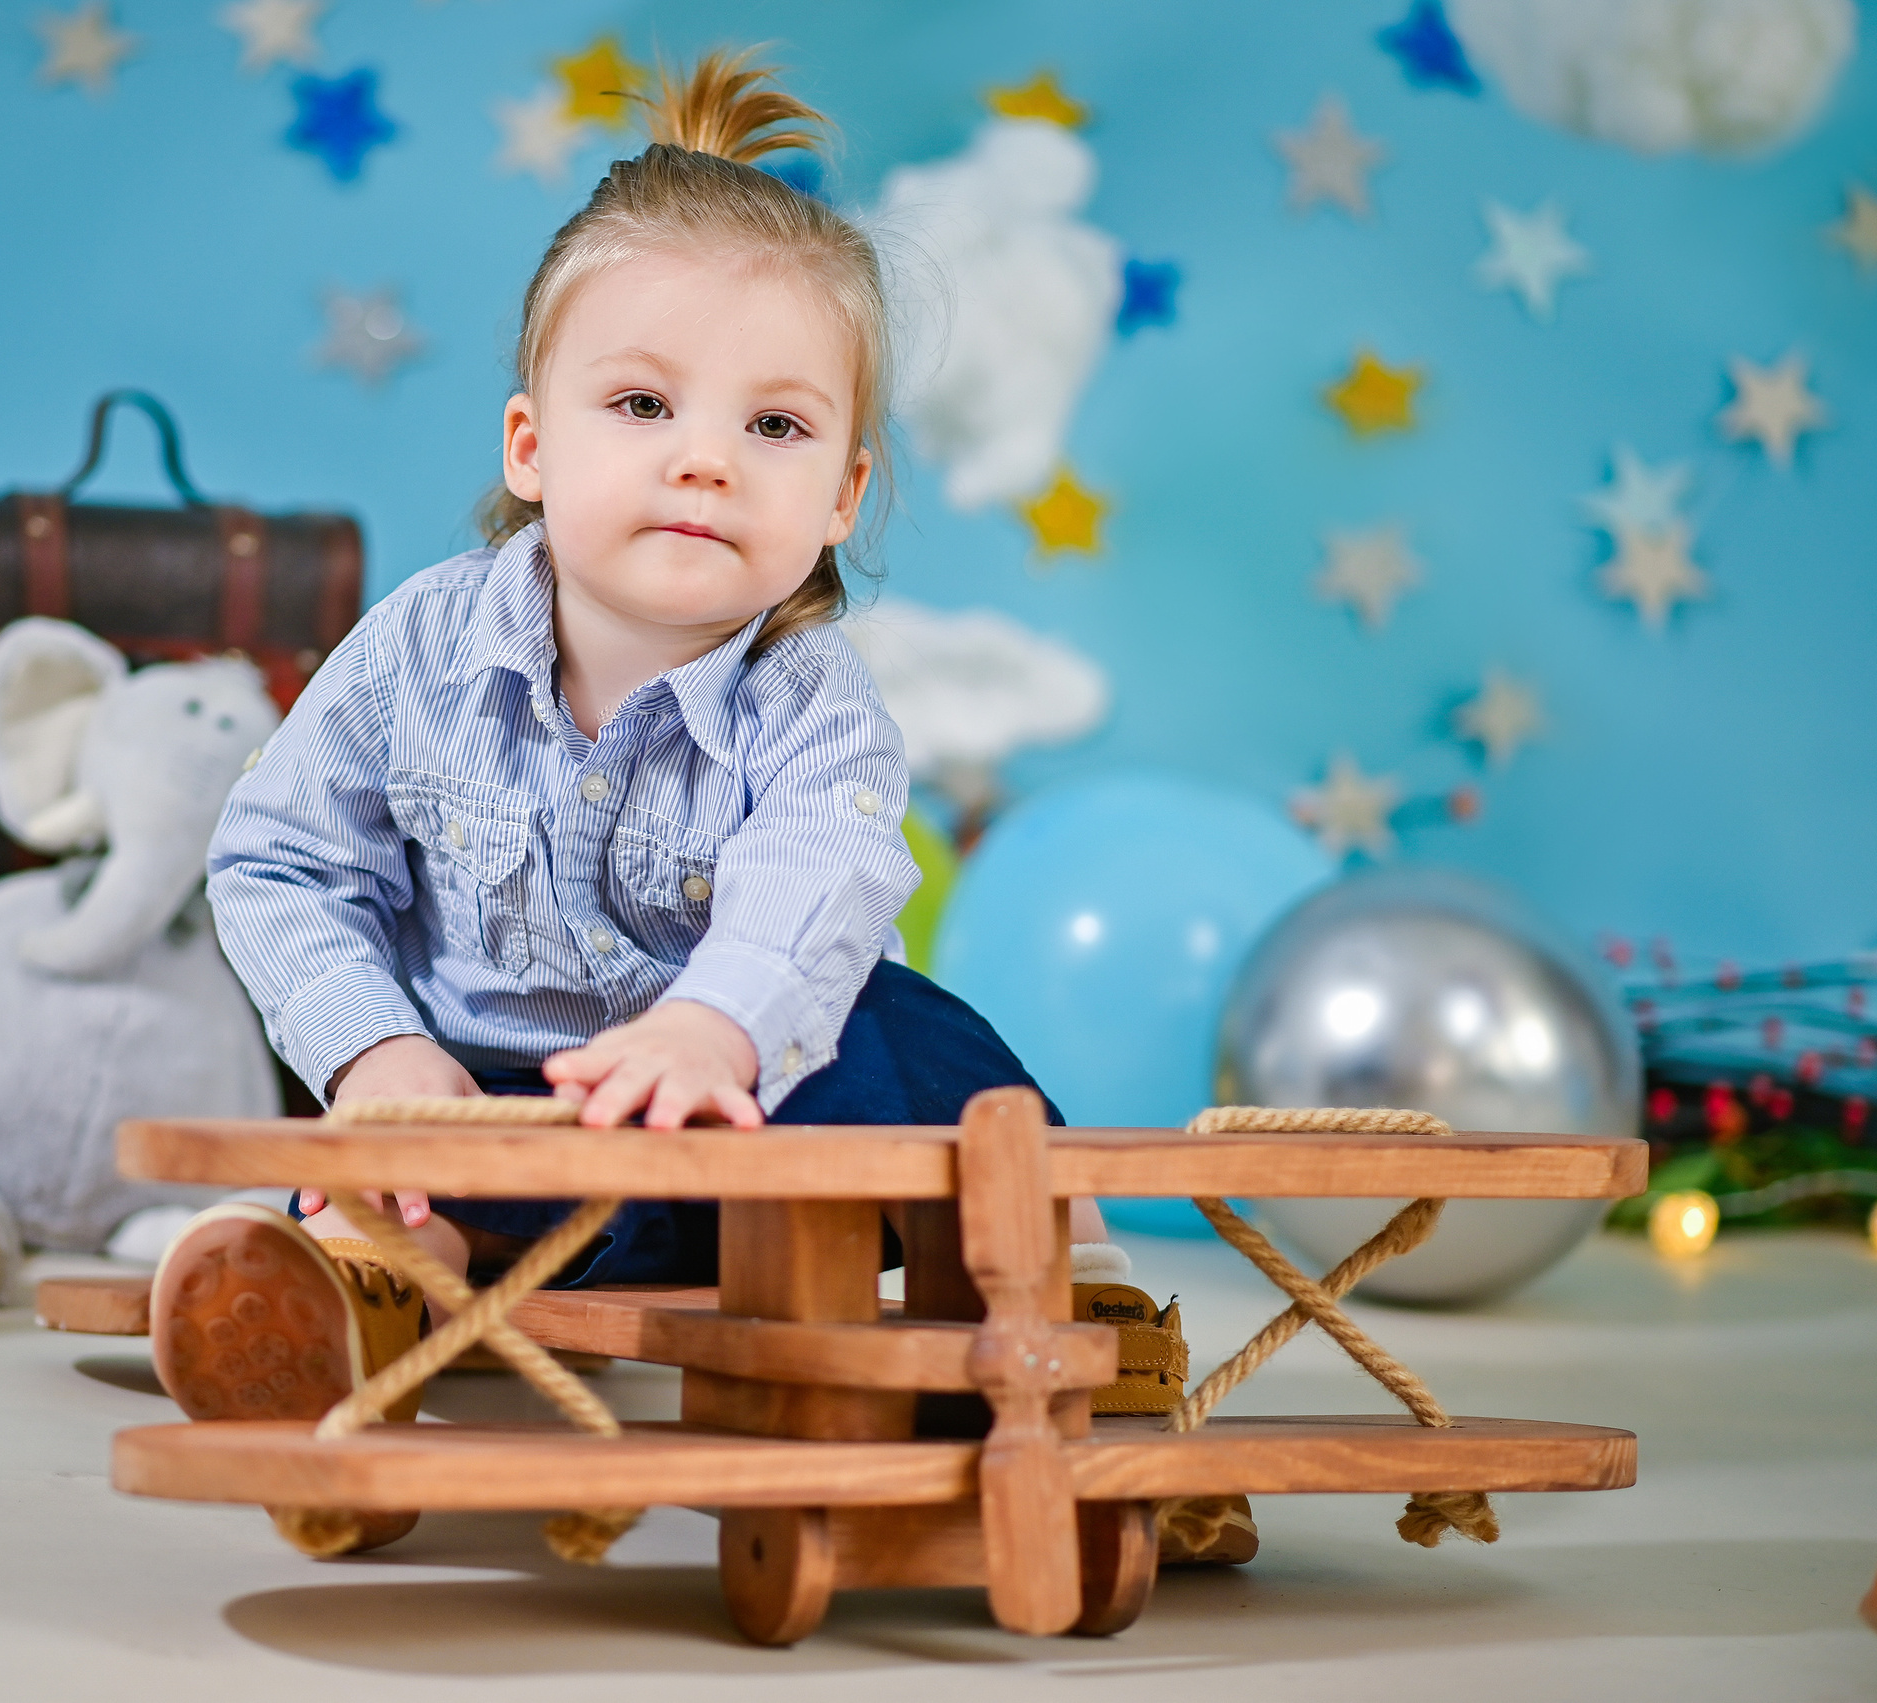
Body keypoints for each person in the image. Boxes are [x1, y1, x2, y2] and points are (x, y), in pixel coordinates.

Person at [156, 49, 1247, 1565]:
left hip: (755, 1117)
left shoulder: (813, 699)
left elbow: (820, 879)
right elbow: (278, 858)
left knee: (918, 1046)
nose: (705, 461)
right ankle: (350, 1315)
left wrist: (713, 1026)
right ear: (533, 444)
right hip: (494, 1102)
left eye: (776, 430)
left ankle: (1078, 1312)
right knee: (389, 1168)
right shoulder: (419, 647)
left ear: (846, 496)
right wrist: (376, 1052)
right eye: (644, 402)